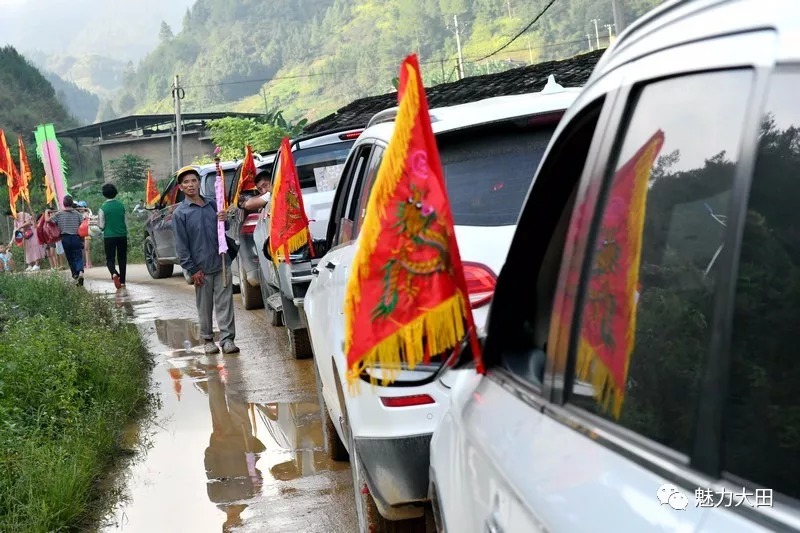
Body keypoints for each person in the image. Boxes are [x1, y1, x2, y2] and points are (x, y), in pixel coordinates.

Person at [172, 167, 239, 354]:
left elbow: (223, 229)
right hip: (200, 268)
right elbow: (182, 246)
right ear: (181, 187)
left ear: (199, 183)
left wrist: (224, 218)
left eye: (193, 181)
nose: (190, 185)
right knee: (204, 306)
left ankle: (227, 340)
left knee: (225, 304)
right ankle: (208, 339)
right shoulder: (180, 214)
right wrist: (192, 269)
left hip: (221, 263)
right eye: (186, 182)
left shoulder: (212, 205)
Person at [47, 195, 85, 285]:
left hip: (65, 238)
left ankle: (75, 275)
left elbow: (47, 220)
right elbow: (83, 224)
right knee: (78, 256)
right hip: (76, 238)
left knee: (70, 258)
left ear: (64, 204)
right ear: (72, 203)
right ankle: (81, 272)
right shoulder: (77, 214)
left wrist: (46, 212)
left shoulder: (59, 214)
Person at [98, 183, 128, 289]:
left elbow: (101, 226)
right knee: (122, 258)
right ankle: (123, 281)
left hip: (109, 237)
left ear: (104, 194)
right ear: (115, 192)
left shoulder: (103, 208)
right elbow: (125, 221)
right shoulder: (121, 206)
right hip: (122, 235)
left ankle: (114, 273)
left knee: (110, 259)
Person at [75, 201, 93, 269]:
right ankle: (88, 263)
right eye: (79, 207)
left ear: (84, 207)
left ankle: (88, 263)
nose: (79, 208)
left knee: (86, 248)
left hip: (87, 233)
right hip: (83, 233)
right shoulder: (79, 214)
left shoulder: (86, 213)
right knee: (85, 249)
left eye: (81, 207)